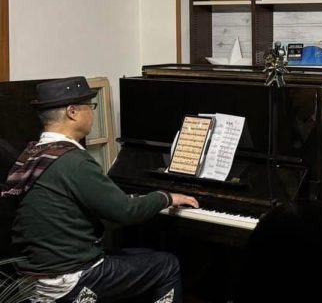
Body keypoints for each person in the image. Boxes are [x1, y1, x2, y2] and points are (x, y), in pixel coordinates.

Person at [2, 76, 199, 303]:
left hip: (33, 278)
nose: (92, 113)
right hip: (69, 279)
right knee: (167, 264)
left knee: (141, 254)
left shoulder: (33, 154)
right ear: (72, 112)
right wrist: (166, 197)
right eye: (90, 106)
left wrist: (127, 199)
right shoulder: (73, 160)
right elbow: (126, 212)